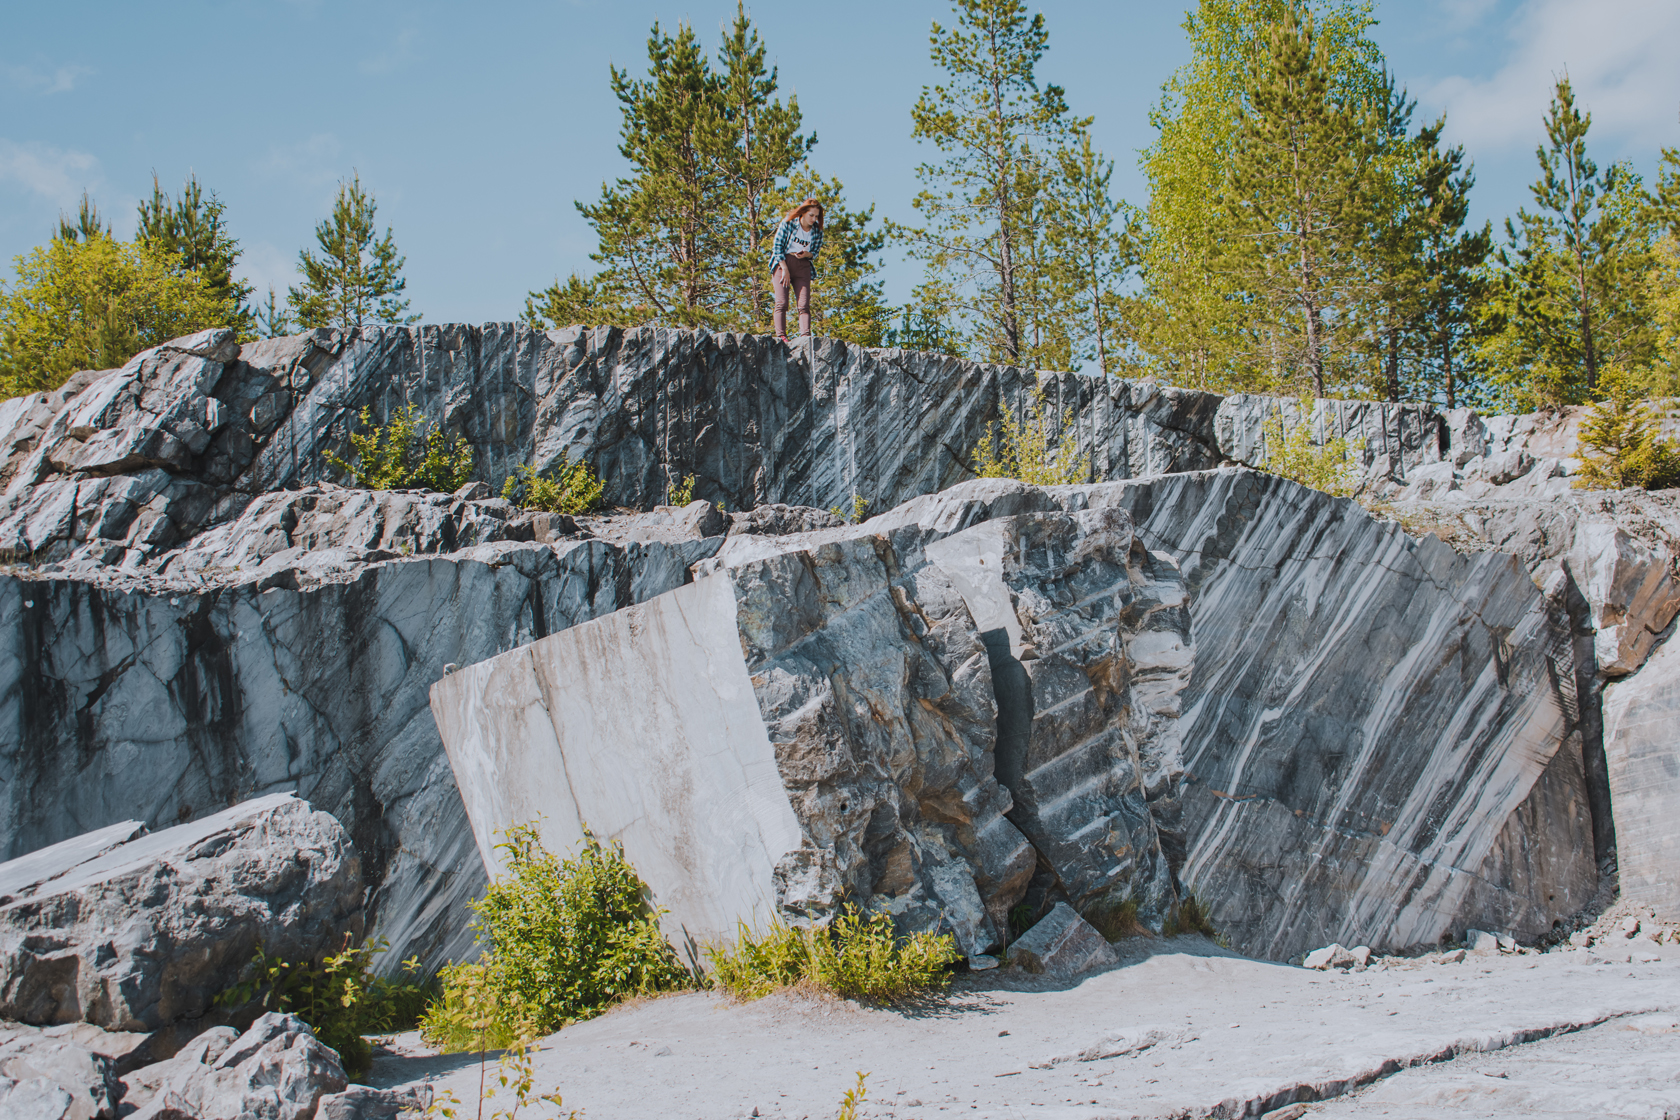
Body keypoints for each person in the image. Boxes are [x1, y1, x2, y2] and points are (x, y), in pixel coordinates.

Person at [769, 199, 823, 342]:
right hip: (783, 263)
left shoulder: (817, 231)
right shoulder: (789, 223)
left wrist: (807, 255)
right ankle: (781, 336)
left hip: (803, 266)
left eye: (816, 216)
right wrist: (784, 268)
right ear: (803, 213)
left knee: (804, 305)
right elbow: (777, 246)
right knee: (782, 302)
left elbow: (815, 252)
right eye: (811, 215)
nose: (814, 219)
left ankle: (805, 337)